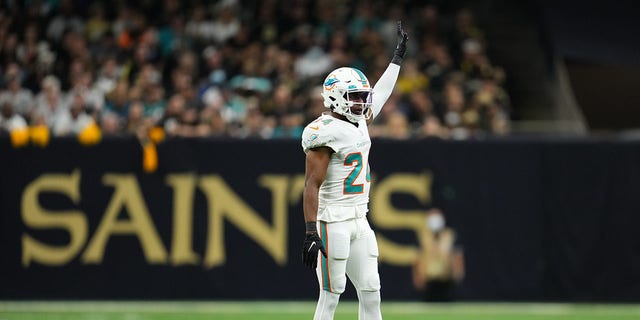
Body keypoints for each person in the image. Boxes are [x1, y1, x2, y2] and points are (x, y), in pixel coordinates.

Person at [301, 21, 408, 320]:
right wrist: (311, 230)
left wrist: (396, 58)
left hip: (359, 219)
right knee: (331, 296)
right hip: (332, 220)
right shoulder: (324, 132)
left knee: (372, 291)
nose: (362, 103)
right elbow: (312, 184)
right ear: (335, 97)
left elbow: (381, 94)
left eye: (362, 96)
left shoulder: (357, 121)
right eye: (356, 97)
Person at [412, 208, 465, 302]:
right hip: (428, 279)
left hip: (446, 279)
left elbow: (457, 256)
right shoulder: (423, 236)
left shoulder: (449, 235)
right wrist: (417, 276)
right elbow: (417, 258)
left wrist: (458, 273)